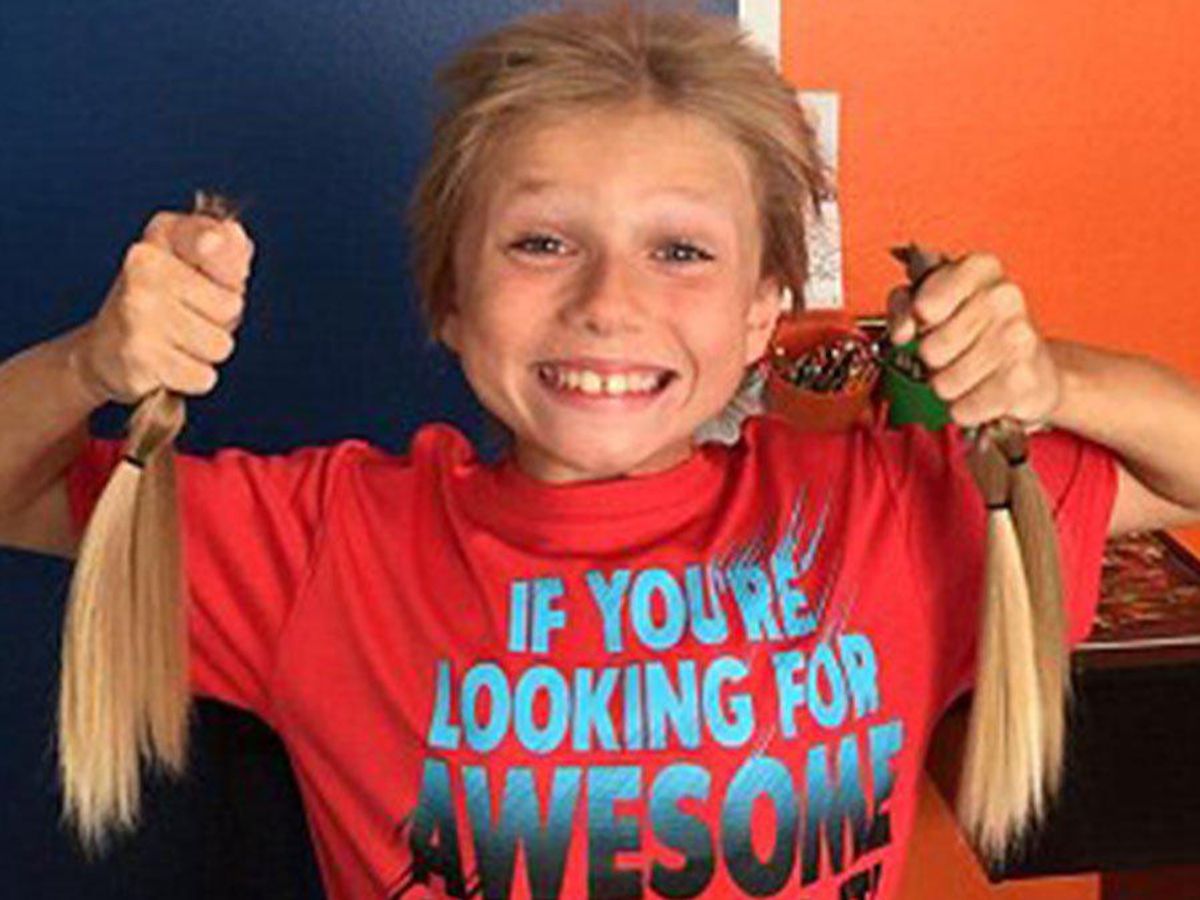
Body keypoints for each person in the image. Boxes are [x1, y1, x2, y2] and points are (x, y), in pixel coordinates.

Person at [2, 2, 1199, 898]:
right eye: (539, 243)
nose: (609, 305)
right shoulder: (326, 542)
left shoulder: (882, 515)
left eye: (680, 251)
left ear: (757, 315)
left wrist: (1056, 376)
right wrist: (91, 365)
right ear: (449, 301)